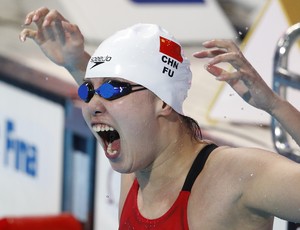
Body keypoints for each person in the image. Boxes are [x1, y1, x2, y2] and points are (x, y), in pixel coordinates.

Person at [20, 7, 300, 230]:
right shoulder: (136, 166)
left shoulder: (233, 178)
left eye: (112, 88)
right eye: (88, 90)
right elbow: (123, 103)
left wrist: (276, 107)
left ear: (163, 101)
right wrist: (75, 61)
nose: (92, 104)